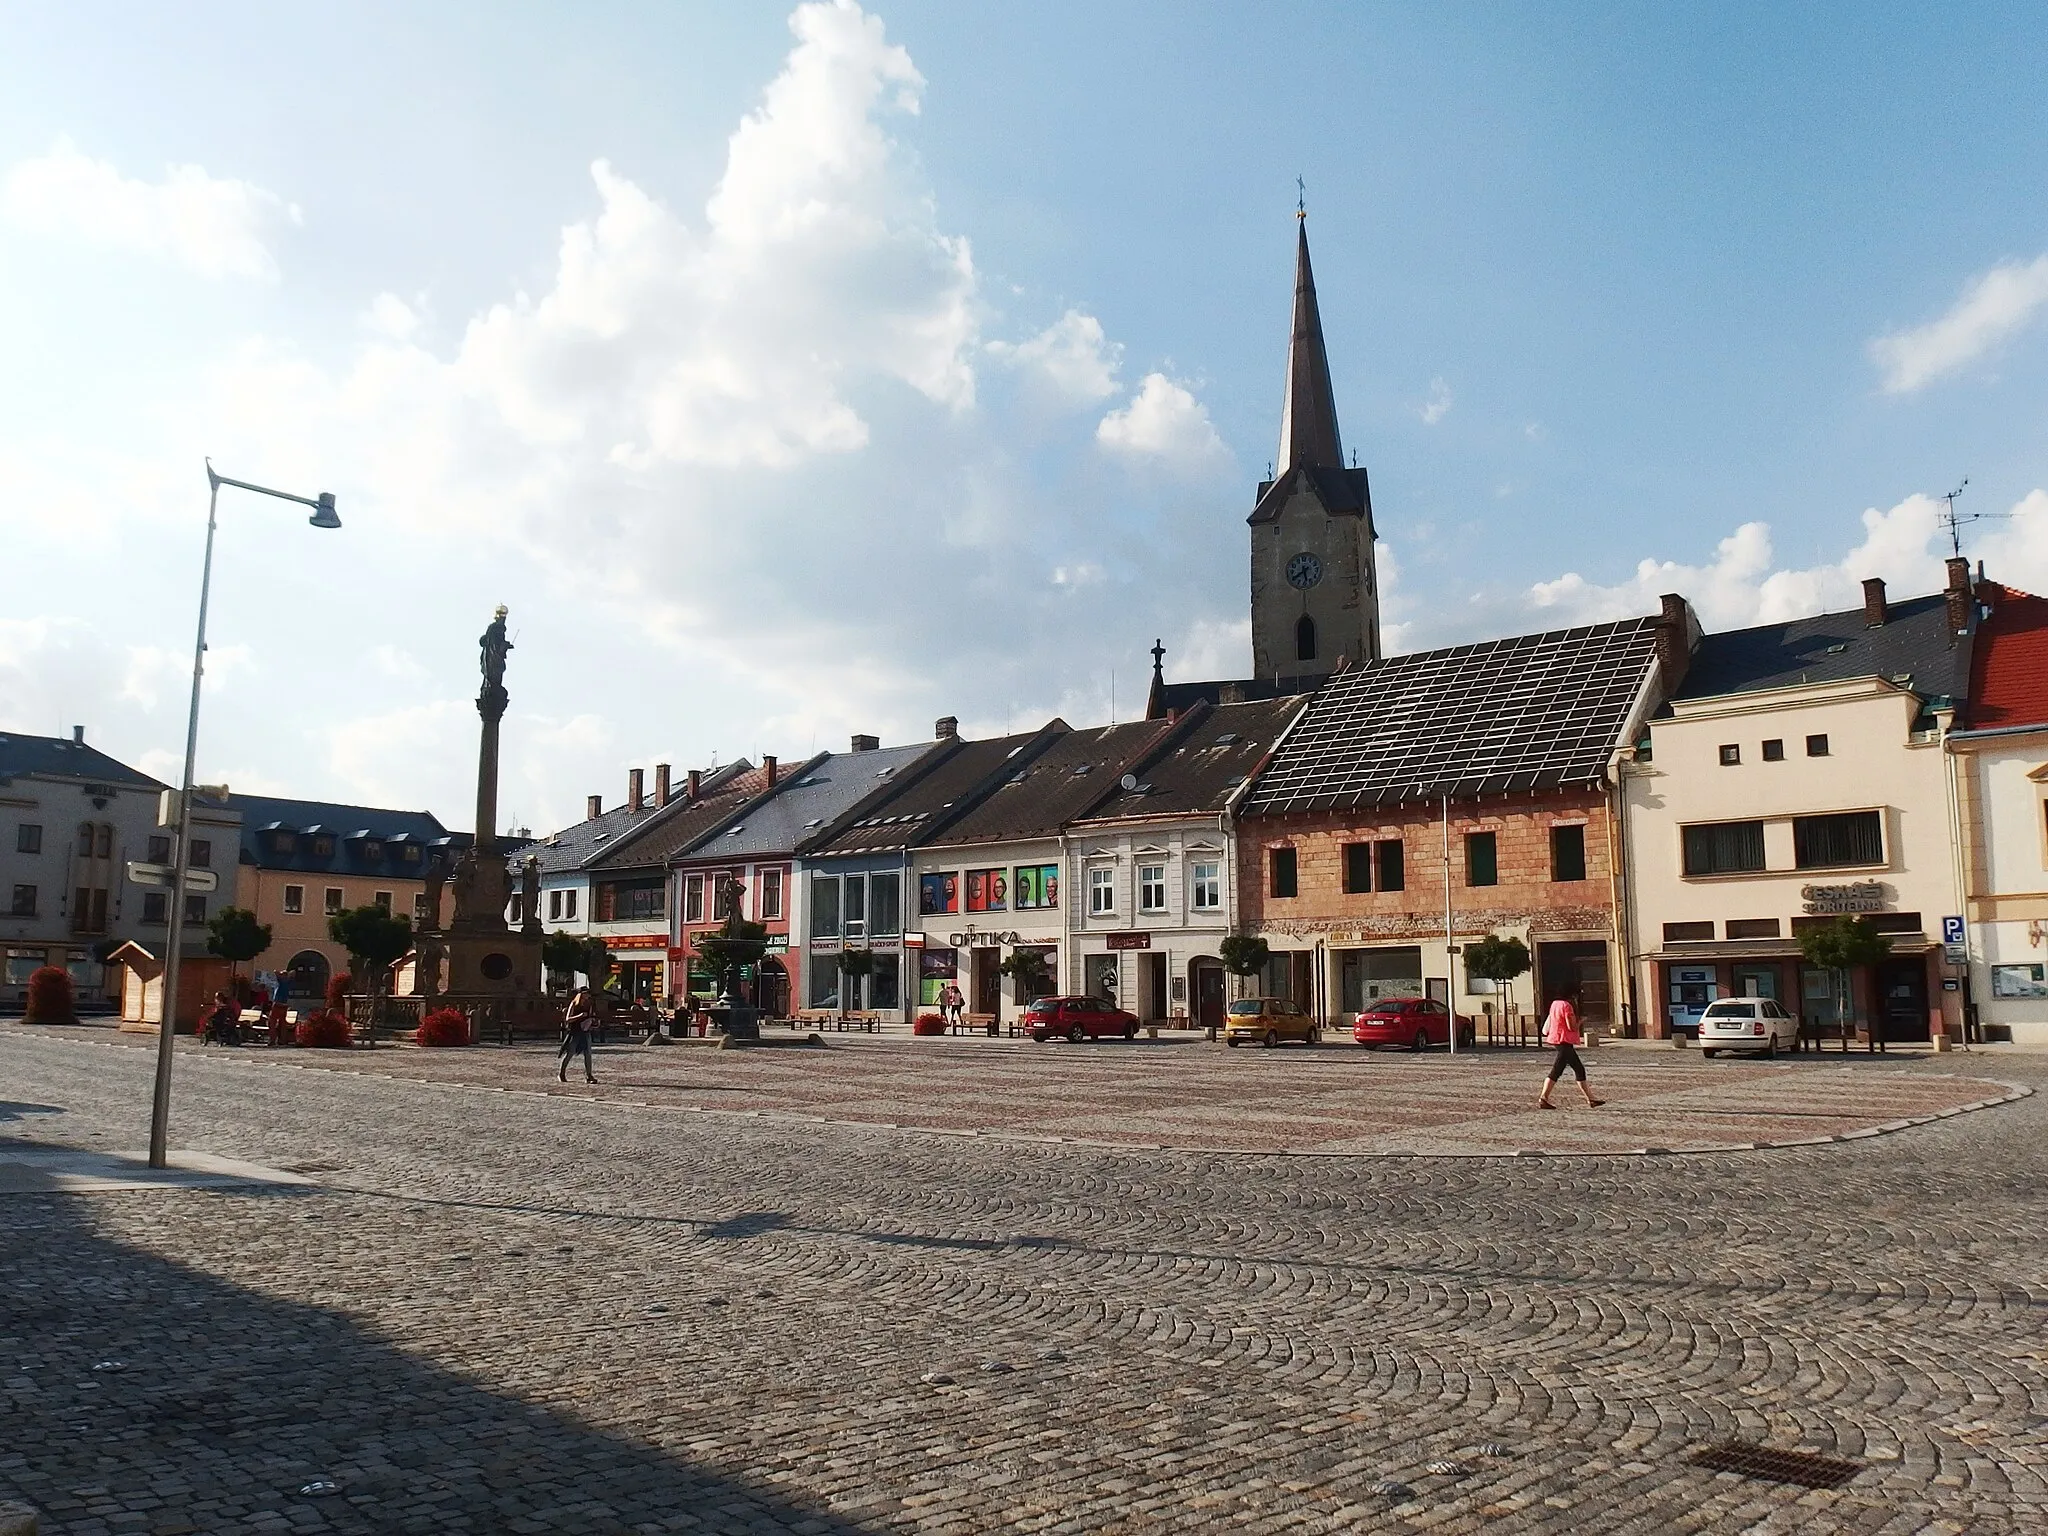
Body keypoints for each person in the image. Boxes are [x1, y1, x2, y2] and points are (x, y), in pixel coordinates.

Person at [1536, 994, 1602, 1110]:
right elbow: (1571, 1027)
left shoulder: (1555, 1003)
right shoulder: (1567, 1006)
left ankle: (1591, 1099)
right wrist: (1581, 1021)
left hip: (1557, 1039)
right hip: (1564, 1041)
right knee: (1560, 1070)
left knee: (1572, 1068)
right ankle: (1543, 1098)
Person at [559, 985, 597, 1084]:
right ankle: (561, 1073)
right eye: (585, 993)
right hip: (575, 1031)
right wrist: (579, 1016)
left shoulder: (590, 1004)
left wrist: (593, 1020)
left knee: (588, 1053)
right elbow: (568, 1019)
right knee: (570, 1053)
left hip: (585, 1031)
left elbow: (593, 1015)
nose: (587, 995)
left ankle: (589, 1075)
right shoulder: (574, 1004)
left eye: (588, 993)